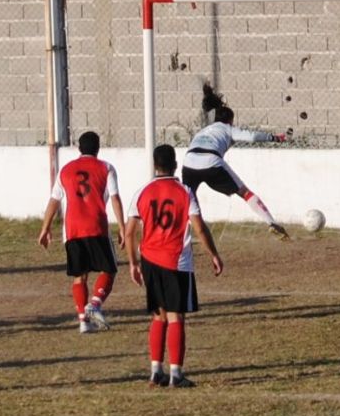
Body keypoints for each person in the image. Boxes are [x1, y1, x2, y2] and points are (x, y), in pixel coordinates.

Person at [126, 144, 223, 388]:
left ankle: (155, 371)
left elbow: (128, 233)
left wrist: (133, 263)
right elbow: (199, 227)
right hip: (176, 261)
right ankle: (176, 375)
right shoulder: (185, 192)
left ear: (154, 165)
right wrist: (213, 254)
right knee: (175, 316)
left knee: (158, 316)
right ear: (175, 164)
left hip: (149, 260)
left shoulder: (142, 191)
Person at [38, 131, 125, 333]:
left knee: (80, 275)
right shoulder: (106, 168)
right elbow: (115, 198)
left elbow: (54, 199)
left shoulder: (66, 170)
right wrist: (122, 226)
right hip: (96, 226)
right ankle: (94, 304)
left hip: (72, 229)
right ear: (98, 148)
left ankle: (83, 322)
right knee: (109, 270)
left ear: (79, 148)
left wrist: (45, 227)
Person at [182, 83, 290, 240]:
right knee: (245, 193)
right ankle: (272, 223)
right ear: (230, 120)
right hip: (211, 161)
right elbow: (252, 137)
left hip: (189, 161)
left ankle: (184, 236)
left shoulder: (203, 130)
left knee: (187, 200)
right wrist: (275, 138)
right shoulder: (228, 128)